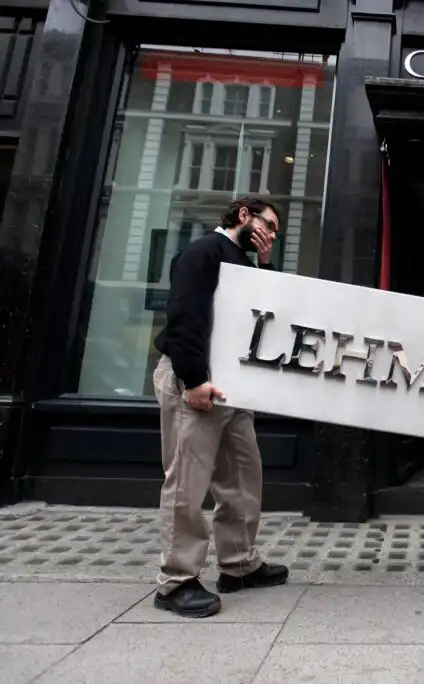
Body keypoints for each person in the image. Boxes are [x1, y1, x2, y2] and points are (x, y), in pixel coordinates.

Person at [151, 196, 290, 618]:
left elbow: (267, 312)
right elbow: (184, 315)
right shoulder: (202, 252)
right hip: (195, 382)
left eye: (276, 233)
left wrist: (264, 261)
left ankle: (239, 565)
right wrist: (193, 380)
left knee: (243, 477)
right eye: (267, 224)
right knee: (186, 484)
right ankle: (175, 582)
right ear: (244, 215)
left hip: (231, 387)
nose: (270, 233)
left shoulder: (242, 262)